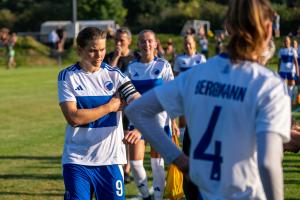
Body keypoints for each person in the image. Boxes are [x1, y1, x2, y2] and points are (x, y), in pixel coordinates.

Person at [125, 0, 291, 199]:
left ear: (228, 27)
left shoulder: (197, 74)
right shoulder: (268, 84)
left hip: (206, 191)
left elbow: (137, 110)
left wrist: (179, 160)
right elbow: (267, 163)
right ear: (268, 28)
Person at [57, 27, 141, 200]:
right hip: (77, 160)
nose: (99, 55)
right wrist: (109, 107)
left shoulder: (115, 75)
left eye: (102, 50)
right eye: (93, 51)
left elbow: (139, 102)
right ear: (80, 50)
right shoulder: (67, 76)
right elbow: (73, 117)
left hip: (110, 161)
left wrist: (139, 129)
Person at [126, 29, 179, 200]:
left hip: (160, 122)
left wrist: (174, 123)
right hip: (136, 122)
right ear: (138, 44)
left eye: (149, 41)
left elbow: (172, 96)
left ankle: (157, 198)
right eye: (142, 41)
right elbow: (125, 94)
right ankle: (146, 196)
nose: (146, 44)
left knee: (157, 164)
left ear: (156, 43)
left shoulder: (163, 65)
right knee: (135, 163)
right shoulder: (131, 68)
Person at [104, 27, 136, 184]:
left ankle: (127, 168)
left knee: (128, 135)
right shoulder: (109, 57)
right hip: (113, 104)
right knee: (116, 136)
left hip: (131, 103)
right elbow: (106, 77)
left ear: (129, 41)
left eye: (121, 40)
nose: (118, 43)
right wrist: (116, 57)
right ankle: (118, 166)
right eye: (116, 40)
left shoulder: (135, 58)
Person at [278, 36, 299, 101]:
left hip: (291, 71)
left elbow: (296, 62)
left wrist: (297, 72)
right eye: (285, 41)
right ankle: (284, 98)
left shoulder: (293, 50)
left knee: (291, 84)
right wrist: (278, 70)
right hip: (283, 70)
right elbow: (279, 61)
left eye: (287, 41)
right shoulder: (281, 50)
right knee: (282, 84)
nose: (286, 42)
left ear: (289, 42)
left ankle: (290, 99)